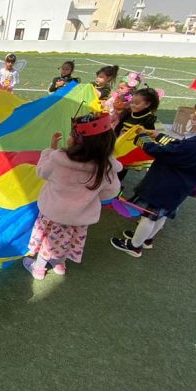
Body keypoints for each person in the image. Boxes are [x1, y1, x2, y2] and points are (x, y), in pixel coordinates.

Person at [110, 98, 196, 257]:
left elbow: (164, 152)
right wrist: (158, 136)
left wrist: (142, 139)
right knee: (161, 216)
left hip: (165, 185)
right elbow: (177, 145)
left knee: (148, 217)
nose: (192, 118)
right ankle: (146, 239)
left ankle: (134, 246)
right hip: (178, 187)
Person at [23, 112, 121, 280]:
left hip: (53, 214)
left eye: (71, 135)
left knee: (48, 242)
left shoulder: (58, 159)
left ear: (77, 142)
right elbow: (110, 192)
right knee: (67, 240)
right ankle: (59, 264)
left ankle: (38, 268)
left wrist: (49, 150)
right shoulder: (106, 167)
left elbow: (42, 172)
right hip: (79, 218)